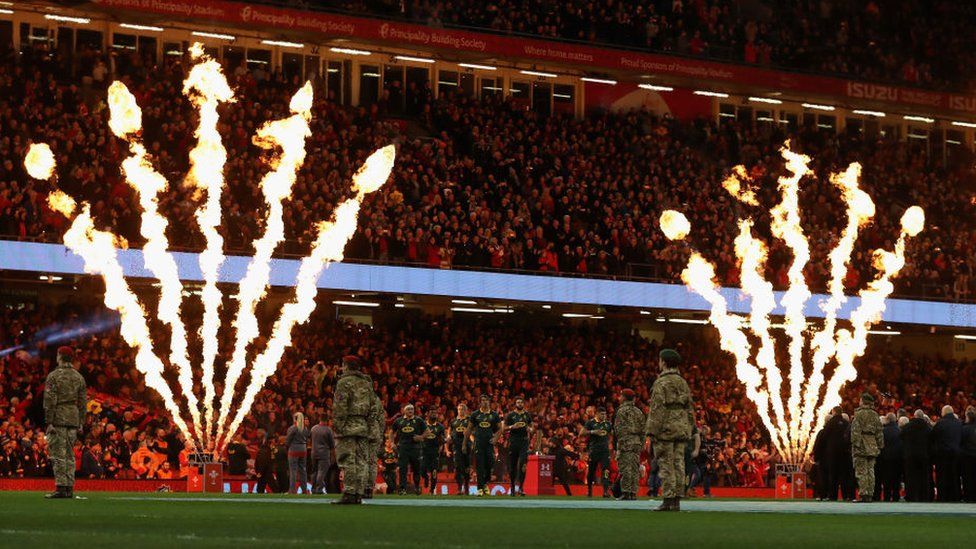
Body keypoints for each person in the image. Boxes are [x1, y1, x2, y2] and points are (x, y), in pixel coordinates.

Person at [645, 348, 694, 512]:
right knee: (679, 463)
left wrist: (651, 431)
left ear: (664, 362)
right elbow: (690, 408)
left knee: (666, 464)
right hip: (681, 428)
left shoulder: (661, 382)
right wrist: (689, 428)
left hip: (665, 428)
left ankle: (667, 499)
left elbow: (657, 409)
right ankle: (676, 501)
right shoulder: (683, 382)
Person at [332, 355, 378, 505]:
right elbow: (373, 407)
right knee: (362, 461)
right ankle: (359, 493)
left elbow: (340, 406)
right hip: (363, 426)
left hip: (348, 425)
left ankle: (349, 492)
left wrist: (338, 426)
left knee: (348, 459)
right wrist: (370, 425)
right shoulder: (367, 383)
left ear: (346, 366)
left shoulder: (343, 382)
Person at [43, 346, 87, 499]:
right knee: (70, 454)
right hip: (73, 418)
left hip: (58, 418)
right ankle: (69, 488)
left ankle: (61, 487)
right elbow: (83, 402)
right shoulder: (79, 377)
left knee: (58, 453)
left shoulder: (53, 376)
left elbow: (49, 400)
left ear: (60, 356)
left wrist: (48, 421)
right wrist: (81, 421)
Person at [465, 394, 501, 496]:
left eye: (486, 400)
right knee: (480, 466)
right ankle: (480, 488)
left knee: (490, 464)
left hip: (489, 444)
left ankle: (485, 483)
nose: (484, 402)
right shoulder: (475, 414)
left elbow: (500, 429)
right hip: (479, 444)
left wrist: (495, 438)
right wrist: (470, 441)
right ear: (480, 402)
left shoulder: (494, 415)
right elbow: (469, 429)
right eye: (483, 400)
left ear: (489, 402)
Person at [850, 393, 883, 503]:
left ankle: (863, 494)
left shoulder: (859, 414)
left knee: (861, 471)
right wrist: (880, 445)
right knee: (870, 471)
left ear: (863, 401)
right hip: (872, 445)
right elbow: (879, 432)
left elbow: (855, 432)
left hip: (862, 445)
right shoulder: (875, 415)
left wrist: (856, 445)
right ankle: (870, 494)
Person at [613, 388, 645, 501]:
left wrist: (619, 445)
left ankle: (626, 492)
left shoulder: (621, 411)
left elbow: (618, 430)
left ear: (624, 398)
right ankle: (633, 493)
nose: (619, 398)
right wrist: (641, 444)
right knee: (634, 468)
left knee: (625, 468)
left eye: (620, 396)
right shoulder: (638, 411)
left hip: (625, 442)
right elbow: (643, 431)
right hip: (636, 443)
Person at [391, 403, 426, 495]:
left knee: (416, 468)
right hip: (403, 448)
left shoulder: (419, 420)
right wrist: (392, 442)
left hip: (416, 448)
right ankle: (402, 489)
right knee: (403, 469)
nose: (410, 411)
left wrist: (421, 437)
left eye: (412, 409)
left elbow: (427, 431)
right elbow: (391, 432)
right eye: (408, 409)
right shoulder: (399, 421)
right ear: (404, 411)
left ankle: (417, 487)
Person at [931, 405, 962, 502]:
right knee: (955, 476)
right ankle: (955, 497)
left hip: (942, 455)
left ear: (943, 413)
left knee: (942, 477)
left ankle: (943, 497)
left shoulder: (940, 423)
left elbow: (932, 437)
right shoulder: (959, 423)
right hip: (956, 454)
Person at [900, 409, 932, 502]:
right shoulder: (927, 427)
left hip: (910, 456)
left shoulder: (908, 427)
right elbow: (932, 440)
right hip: (923, 456)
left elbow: (901, 436)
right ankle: (924, 497)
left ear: (914, 416)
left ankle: (911, 496)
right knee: (923, 477)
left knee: (910, 477)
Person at [581, 406, 613, 498]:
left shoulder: (608, 424)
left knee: (606, 470)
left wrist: (610, 443)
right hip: (594, 451)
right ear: (597, 414)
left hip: (605, 451)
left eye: (605, 414)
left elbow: (611, 434)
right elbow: (581, 433)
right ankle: (589, 490)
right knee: (591, 471)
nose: (604, 416)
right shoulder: (590, 423)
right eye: (602, 414)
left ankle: (606, 492)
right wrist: (593, 432)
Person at [504, 396, 533, 496]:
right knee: (512, 467)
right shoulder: (510, 415)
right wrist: (512, 426)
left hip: (524, 442)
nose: (520, 404)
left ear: (523, 404)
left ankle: (521, 488)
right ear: (515, 404)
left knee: (523, 465)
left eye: (521, 402)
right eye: (518, 402)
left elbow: (531, 426)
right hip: (513, 442)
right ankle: (512, 487)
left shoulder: (527, 415)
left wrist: (531, 429)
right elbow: (504, 428)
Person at [876, 413, 903, 502]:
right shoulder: (900, 431)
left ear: (887, 420)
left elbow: (880, 445)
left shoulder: (883, 431)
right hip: (897, 459)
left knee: (886, 479)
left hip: (885, 459)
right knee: (896, 479)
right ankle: (896, 496)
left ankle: (887, 497)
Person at [364, 393, 386, 499]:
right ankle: (369, 489)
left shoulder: (361, 398)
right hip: (375, 433)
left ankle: (363, 488)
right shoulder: (377, 400)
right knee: (372, 462)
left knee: (363, 461)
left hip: (364, 433)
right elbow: (382, 420)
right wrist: (380, 434)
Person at [310, 413, 336, 494]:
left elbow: (310, 439)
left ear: (319, 419)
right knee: (321, 471)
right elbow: (332, 445)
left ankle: (313, 489)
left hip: (314, 453)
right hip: (324, 454)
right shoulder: (328, 430)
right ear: (327, 420)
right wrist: (333, 457)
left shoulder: (313, 428)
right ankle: (319, 489)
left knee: (314, 472)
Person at [285, 412, 310, 494]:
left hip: (294, 450)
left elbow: (288, 440)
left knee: (293, 471)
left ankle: (292, 490)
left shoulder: (292, 428)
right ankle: (304, 490)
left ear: (295, 419)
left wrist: (287, 447)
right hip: (303, 449)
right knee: (303, 470)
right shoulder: (305, 428)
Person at [449, 403, 472, 495]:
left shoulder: (470, 420)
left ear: (465, 410)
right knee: (458, 467)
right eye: (459, 409)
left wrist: (469, 434)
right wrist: (448, 437)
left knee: (466, 467)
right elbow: (449, 431)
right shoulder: (453, 421)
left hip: (467, 446)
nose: (460, 411)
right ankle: (459, 488)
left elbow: (473, 431)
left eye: (462, 409)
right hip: (456, 447)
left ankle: (466, 487)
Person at [421, 410, 445, 495]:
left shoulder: (440, 427)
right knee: (422, 470)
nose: (434, 414)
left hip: (434, 451)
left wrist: (440, 449)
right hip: (423, 451)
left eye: (435, 413)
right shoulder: (422, 425)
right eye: (432, 413)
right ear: (427, 414)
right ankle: (426, 477)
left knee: (434, 472)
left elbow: (442, 441)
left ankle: (432, 490)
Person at [961, 407, 976, 502]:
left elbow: (961, 442)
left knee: (967, 478)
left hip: (967, 457)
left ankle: (968, 497)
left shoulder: (964, 429)